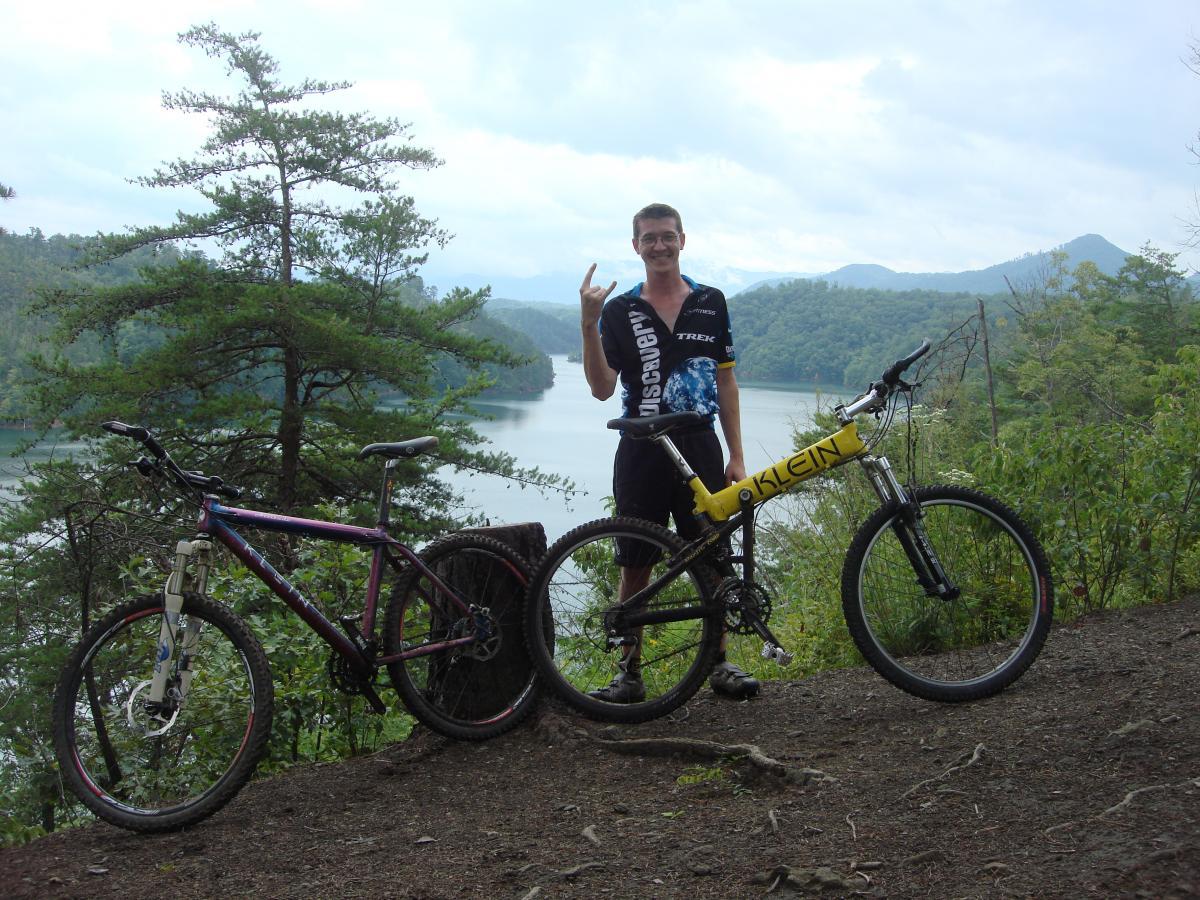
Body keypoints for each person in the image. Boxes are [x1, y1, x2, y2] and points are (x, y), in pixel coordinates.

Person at [579, 202, 760, 703]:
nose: (659, 246)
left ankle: (720, 663)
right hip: (641, 447)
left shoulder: (711, 301)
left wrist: (737, 456)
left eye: (667, 236)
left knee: (712, 553)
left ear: (683, 240)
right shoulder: (619, 311)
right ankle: (629, 673)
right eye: (649, 238)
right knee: (635, 560)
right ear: (635, 246)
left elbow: (726, 381)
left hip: (700, 445)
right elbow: (600, 388)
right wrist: (588, 323)